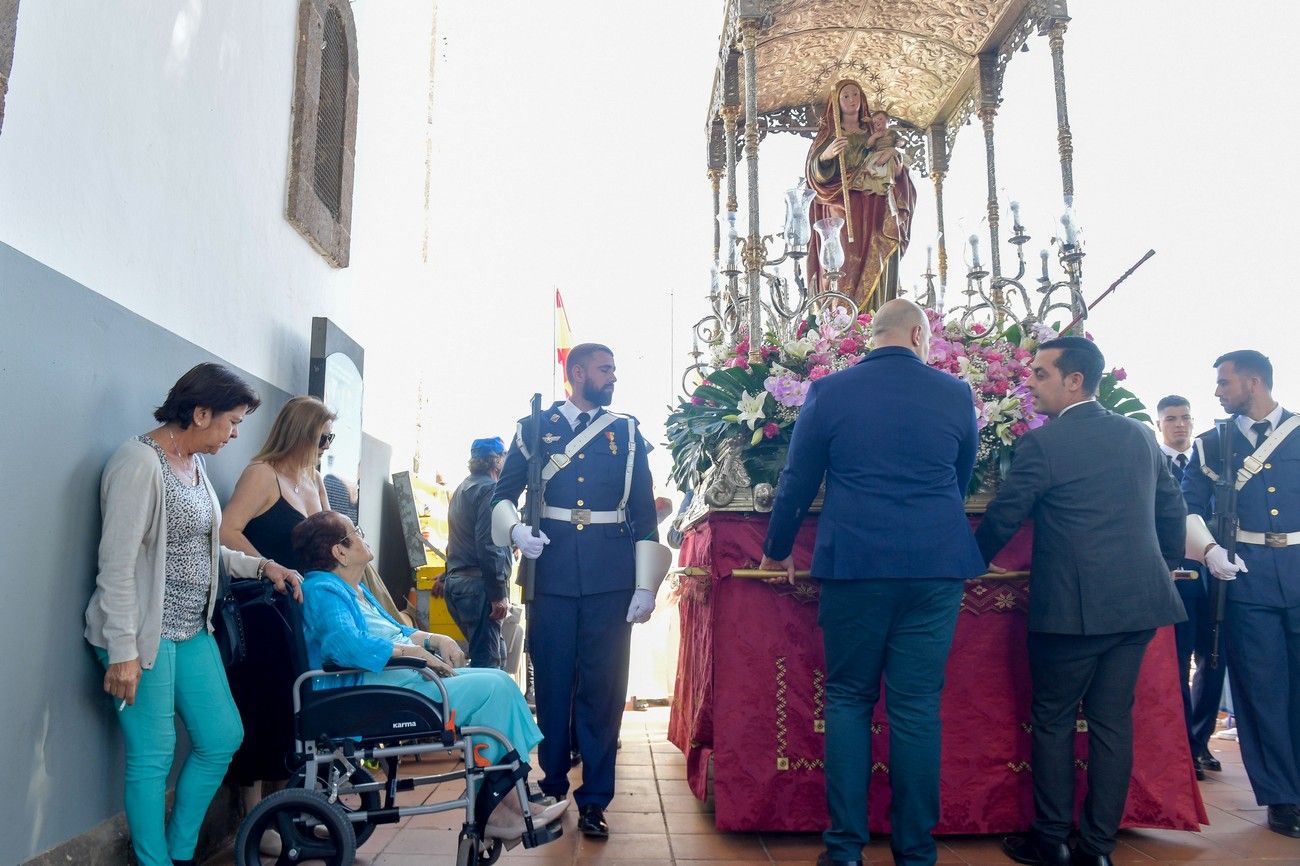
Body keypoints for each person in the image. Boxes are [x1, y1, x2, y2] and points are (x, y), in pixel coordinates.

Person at [758, 299, 986, 866]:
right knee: (915, 707)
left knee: (849, 699)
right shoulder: (956, 394)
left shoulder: (830, 392)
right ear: (916, 335)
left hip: (856, 563)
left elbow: (797, 478)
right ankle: (915, 851)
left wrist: (776, 549)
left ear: (875, 336)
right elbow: (962, 478)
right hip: (936, 566)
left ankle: (845, 848)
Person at [975, 337, 1187, 866]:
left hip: (1070, 612)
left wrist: (967, 563)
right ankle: (1096, 848)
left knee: (1053, 721)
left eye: (1041, 373)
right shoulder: (1140, 435)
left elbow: (1005, 515)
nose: (1030, 382)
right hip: (1139, 602)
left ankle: (1050, 840)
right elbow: (1171, 506)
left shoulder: (1044, 444)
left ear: (1074, 380)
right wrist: (1159, 561)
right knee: (1113, 722)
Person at [83, 363, 299, 866]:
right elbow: (114, 566)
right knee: (152, 757)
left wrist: (262, 566)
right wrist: (122, 652)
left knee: (223, 735)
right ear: (200, 412)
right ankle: (155, 862)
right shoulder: (139, 463)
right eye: (231, 421)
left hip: (189, 629)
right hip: (140, 635)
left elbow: (201, 549)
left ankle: (179, 852)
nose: (235, 433)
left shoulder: (194, 465)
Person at [290, 509, 568, 842]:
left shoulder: (354, 589)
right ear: (340, 552)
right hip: (376, 688)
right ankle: (500, 807)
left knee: (498, 684)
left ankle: (507, 803)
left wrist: (436, 640)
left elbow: (397, 632)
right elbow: (345, 647)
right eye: (356, 533)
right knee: (494, 691)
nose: (363, 537)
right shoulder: (323, 589)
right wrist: (417, 655)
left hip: (396, 680)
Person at [490, 342, 672, 838]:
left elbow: (642, 516)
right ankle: (551, 784)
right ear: (575, 373)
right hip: (550, 574)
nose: (613, 376)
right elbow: (502, 494)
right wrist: (514, 532)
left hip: (611, 578)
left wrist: (645, 585)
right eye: (604, 368)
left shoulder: (628, 434)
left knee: (604, 689)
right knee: (550, 684)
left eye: (614, 367)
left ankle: (595, 799)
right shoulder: (534, 428)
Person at [1180, 350, 1300, 838]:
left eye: (1224, 383)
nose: (1217, 392)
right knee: (1261, 692)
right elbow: (1186, 507)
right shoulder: (1212, 445)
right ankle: (1283, 796)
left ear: (1253, 383)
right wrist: (1208, 550)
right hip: (1244, 579)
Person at [220, 395, 332, 819]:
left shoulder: (315, 480)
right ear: (301, 434)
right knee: (261, 706)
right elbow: (228, 530)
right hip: (263, 610)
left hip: (302, 612)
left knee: (294, 710)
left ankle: (285, 811)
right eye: (322, 437)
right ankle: (255, 817)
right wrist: (269, 566)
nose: (326, 446)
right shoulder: (261, 475)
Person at [1154, 395, 1226, 780]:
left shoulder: (1210, 464)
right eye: (1171, 419)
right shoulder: (1150, 461)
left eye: (1185, 418)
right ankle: (1181, 744)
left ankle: (1200, 741)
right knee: (1177, 662)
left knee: (1214, 661)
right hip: (1175, 578)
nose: (1179, 425)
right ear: (1159, 423)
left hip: (1216, 576)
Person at [806, 80, 916, 313]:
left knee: (879, 250)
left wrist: (897, 168)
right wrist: (826, 156)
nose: (851, 99)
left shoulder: (874, 131)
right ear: (837, 102)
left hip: (876, 204)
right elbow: (814, 178)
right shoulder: (830, 134)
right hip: (842, 204)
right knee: (844, 260)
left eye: (855, 94)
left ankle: (877, 316)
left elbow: (895, 166)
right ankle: (841, 318)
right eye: (845, 96)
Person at [443, 436, 512, 669]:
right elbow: (488, 545)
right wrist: (498, 593)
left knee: (493, 654)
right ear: (497, 461)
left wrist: (446, 575)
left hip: (459, 586)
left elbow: (456, 538)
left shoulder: (463, 488)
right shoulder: (490, 489)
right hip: (478, 588)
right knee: (488, 664)